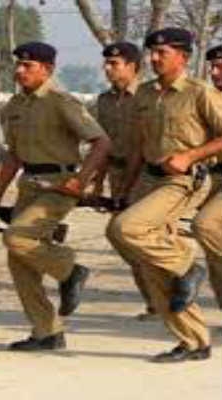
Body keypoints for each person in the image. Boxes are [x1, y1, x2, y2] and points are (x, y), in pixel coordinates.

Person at [0, 41, 111, 351]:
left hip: (59, 185)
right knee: (19, 261)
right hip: (28, 184)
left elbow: (101, 143)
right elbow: (13, 156)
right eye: (18, 64)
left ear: (47, 69)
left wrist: (81, 181)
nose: (19, 71)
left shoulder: (61, 101)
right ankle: (47, 332)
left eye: (27, 66)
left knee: (17, 238)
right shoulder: (14, 104)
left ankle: (70, 270)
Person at [107, 28, 221, 363]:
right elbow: (140, 147)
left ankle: (187, 266)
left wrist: (190, 156)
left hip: (184, 181)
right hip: (149, 179)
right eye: (152, 53)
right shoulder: (144, 93)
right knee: (148, 262)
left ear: (183, 57)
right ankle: (194, 341)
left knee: (126, 228)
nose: (154, 58)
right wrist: (125, 188)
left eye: (163, 53)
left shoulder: (199, 92)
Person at [96, 42, 157, 321]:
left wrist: (129, 186)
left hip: (146, 175)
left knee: (133, 234)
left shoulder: (148, 96)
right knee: (125, 239)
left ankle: (167, 297)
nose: (107, 69)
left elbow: (144, 146)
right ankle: (156, 302)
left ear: (133, 67)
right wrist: (98, 181)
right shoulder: (104, 101)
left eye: (114, 64)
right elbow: (103, 143)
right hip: (116, 172)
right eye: (106, 63)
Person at [190, 44, 222, 314]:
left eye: (221, 67)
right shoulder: (207, 98)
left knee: (205, 225)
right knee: (213, 255)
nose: (214, 72)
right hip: (213, 177)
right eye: (212, 67)